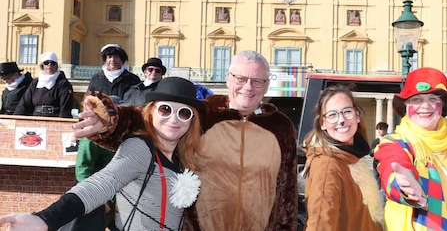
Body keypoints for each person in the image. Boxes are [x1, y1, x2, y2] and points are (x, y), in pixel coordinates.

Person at [73, 50, 298, 231]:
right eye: (241, 78)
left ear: (267, 85)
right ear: (229, 79)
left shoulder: (281, 127)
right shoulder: (204, 114)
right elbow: (148, 122)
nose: (248, 87)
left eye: (257, 81)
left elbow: (286, 190)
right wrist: (111, 121)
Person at [0, 77, 204, 230]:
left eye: (184, 113)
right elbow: (101, 183)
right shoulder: (140, 147)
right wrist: (44, 219)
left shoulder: (183, 157)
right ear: (151, 111)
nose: (174, 119)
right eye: (165, 109)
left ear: (191, 121)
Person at [374, 67, 447, 231]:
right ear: (406, 106)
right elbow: (392, 166)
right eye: (416, 99)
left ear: (442, 106)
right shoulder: (394, 142)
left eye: (433, 99)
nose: (425, 106)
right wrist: (403, 187)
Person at [302, 85, 384, 230]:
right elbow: (320, 222)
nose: (341, 120)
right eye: (332, 115)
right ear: (322, 124)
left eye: (347, 111)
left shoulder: (352, 157)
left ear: (357, 116)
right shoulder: (327, 165)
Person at [77, 43, 141, 231]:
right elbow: (84, 168)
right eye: (108, 57)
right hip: (100, 192)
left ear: (122, 59)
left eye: (115, 57)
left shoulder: (132, 79)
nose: (112, 60)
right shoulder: (97, 78)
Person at [14, 52, 74, 118]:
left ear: (56, 66)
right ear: (42, 65)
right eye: (46, 63)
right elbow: (24, 103)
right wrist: (16, 119)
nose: (49, 65)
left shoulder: (63, 83)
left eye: (52, 63)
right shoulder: (35, 82)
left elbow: (65, 108)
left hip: (54, 119)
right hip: (36, 119)